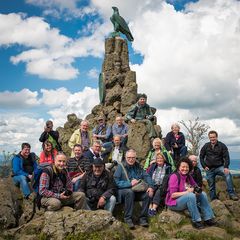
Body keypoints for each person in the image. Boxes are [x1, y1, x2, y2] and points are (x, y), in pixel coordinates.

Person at [166, 157, 215, 229]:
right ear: (178, 167)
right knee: (190, 196)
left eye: (187, 167)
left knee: (203, 194)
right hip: (174, 203)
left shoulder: (188, 176)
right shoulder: (174, 176)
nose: (185, 169)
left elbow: (195, 186)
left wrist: (197, 191)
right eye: (183, 167)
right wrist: (187, 192)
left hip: (185, 200)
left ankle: (208, 218)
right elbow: (173, 195)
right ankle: (196, 221)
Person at [114, 149, 154, 229]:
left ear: (136, 158)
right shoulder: (120, 167)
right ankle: (128, 219)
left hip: (135, 191)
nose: (131, 159)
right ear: (125, 157)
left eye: (133, 157)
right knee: (129, 192)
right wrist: (129, 183)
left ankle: (143, 219)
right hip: (123, 192)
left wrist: (151, 186)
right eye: (129, 157)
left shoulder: (138, 166)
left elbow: (147, 176)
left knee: (147, 194)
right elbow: (116, 182)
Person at [200, 130, 238, 201]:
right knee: (211, 185)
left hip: (219, 167)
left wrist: (226, 167)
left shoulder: (222, 145)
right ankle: (214, 199)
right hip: (209, 169)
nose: (212, 139)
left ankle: (232, 194)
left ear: (216, 137)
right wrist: (204, 166)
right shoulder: (206, 146)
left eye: (213, 137)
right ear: (209, 138)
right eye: (211, 137)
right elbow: (201, 156)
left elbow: (226, 157)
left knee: (227, 174)